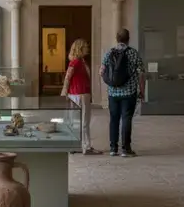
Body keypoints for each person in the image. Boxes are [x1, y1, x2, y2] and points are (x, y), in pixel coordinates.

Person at [99, 28, 145, 157]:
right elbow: (141, 74)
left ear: (117, 38)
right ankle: (126, 149)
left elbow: (101, 72)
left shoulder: (109, 53)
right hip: (129, 92)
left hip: (113, 93)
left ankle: (113, 148)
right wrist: (142, 91)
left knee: (114, 119)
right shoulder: (133, 53)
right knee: (126, 119)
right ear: (128, 39)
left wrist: (110, 82)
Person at [60, 39, 101, 155]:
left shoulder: (80, 61)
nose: (87, 49)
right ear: (80, 48)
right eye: (85, 47)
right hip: (80, 94)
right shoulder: (76, 62)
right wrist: (65, 92)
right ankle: (85, 147)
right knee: (83, 121)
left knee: (78, 121)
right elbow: (68, 78)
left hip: (79, 93)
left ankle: (77, 145)